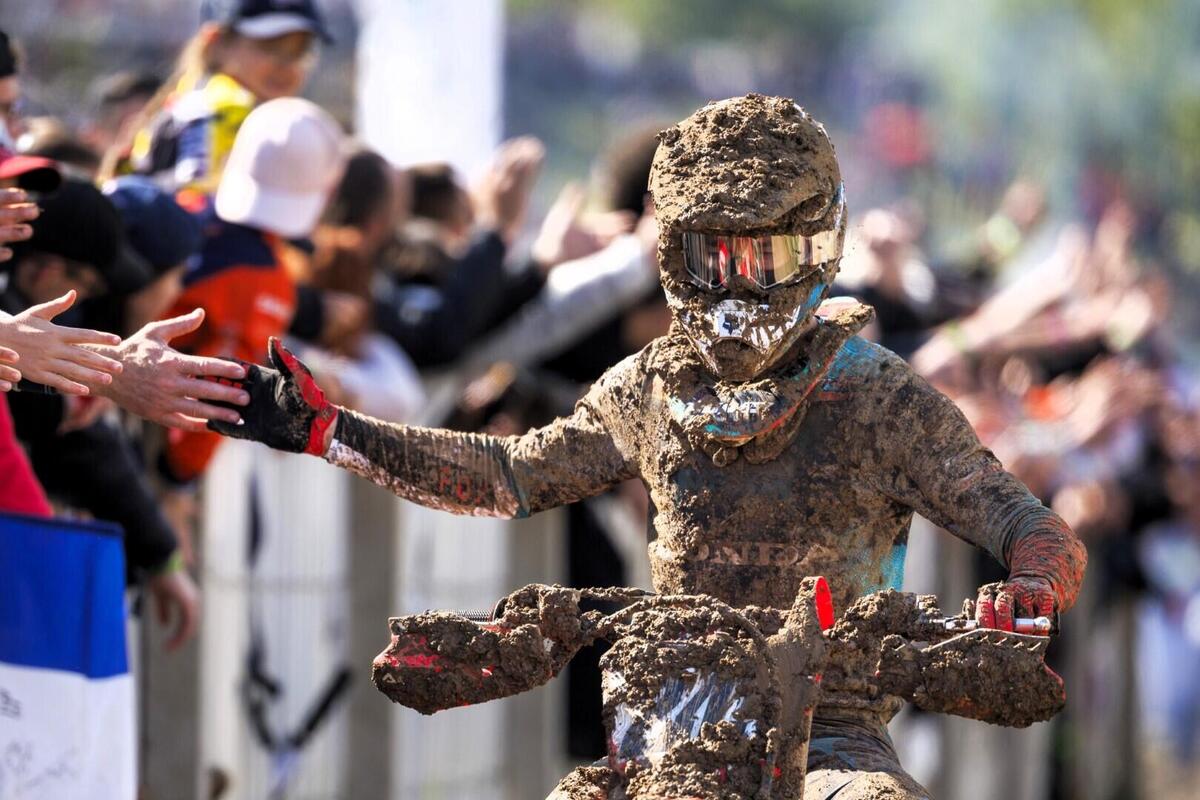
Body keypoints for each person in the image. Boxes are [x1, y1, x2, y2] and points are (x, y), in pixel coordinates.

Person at [209, 95, 1087, 799]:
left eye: (768, 254)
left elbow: (1025, 521)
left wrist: (1031, 590)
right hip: (666, 731)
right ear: (671, 253)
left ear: (821, 248)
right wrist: (330, 433)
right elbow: (509, 475)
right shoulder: (649, 387)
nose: (740, 288)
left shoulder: (878, 396)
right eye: (715, 257)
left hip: (835, 729)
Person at [159, 96, 343, 484]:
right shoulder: (263, 279)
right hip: (143, 431)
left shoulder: (188, 207)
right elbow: (224, 383)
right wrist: (179, 477)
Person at [113, 0, 329, 194]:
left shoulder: (195, 102)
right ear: (216, 42)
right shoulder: (222, 111)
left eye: (300, 51)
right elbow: (201, 221)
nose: (286, 65)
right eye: (270, 46)